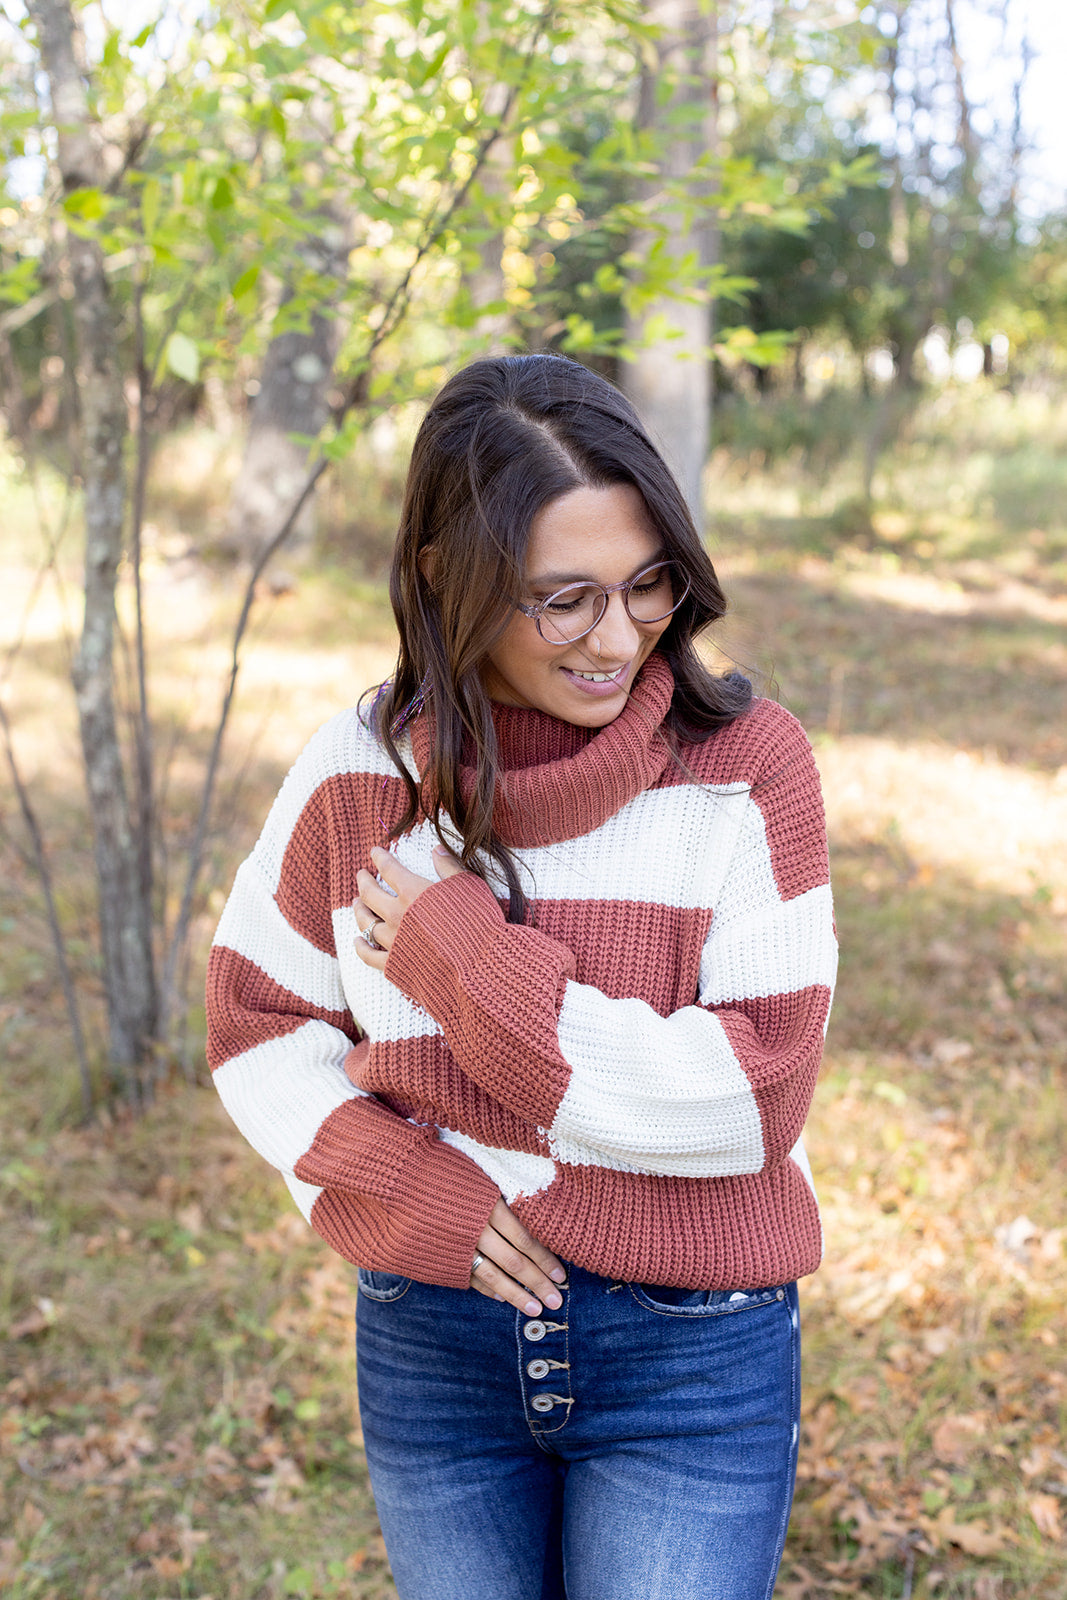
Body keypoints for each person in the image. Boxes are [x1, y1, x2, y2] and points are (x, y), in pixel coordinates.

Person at [206, 353, 837, 1600]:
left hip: (690, 1349)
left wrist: (472, 971)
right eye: (563, 599)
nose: (617, 637)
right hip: (433, 1341)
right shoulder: (357, 777)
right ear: (450, 579)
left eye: (646, 582)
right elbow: (257, 1025)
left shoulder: (745, 770)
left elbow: (754, 1098)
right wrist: (402, 1184)